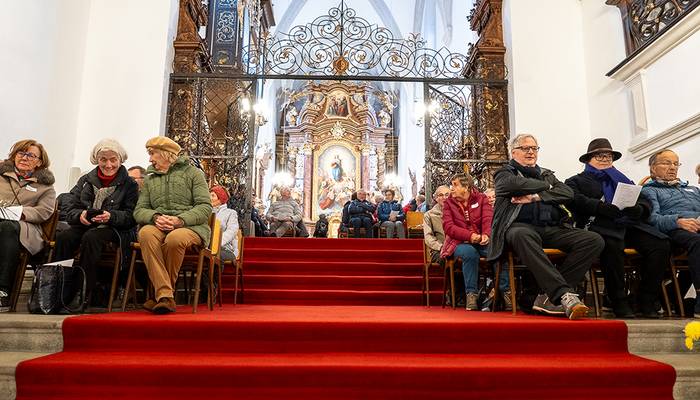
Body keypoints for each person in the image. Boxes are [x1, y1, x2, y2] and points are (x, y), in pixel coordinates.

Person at [488, 134, 604, 320]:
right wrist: (547, 186)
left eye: (534, 148)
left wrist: (536, 196)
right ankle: (563, 294)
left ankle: (545, 296)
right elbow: (511, 184)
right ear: (514, 151)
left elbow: (567, 193)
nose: (531, 152)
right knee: (522, 235)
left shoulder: (546, 172)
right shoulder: (505, 172)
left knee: (592, 240)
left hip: (551, 227)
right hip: (518, 226)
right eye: (526, 148)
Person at [565, 138, 669, 318]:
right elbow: (574, 199)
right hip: (599, 226)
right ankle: (617, 299)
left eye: (609, 155)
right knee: (612, 246)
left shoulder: (622, 178)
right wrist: (599, 207)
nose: (605, 158)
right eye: (599, 155)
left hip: (628, 224)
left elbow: (643, 200)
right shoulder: (576, 180)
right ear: (588, 159)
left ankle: (645, 298)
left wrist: (640, 209)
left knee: (660, 244)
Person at [54, 139, 139, 308]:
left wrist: (111, 216)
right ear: (96, 160)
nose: (108, 164)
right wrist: (81, 214)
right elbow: (69, 206)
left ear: (120, 160)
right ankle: (59, 290)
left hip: (114, 230)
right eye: (103, 159)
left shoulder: (129, 184)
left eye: (113, 159)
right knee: (65, 237)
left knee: (92, 237)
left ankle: (84, 290)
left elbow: (131, 216)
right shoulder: (85, 180)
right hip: (86, 224)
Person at [134, 136, 212, 314]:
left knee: (175, 238)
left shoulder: (194, 174)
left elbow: (205, 207)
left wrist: (180, 220)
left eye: (153, 153)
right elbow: (140, 210)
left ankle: (160, 295)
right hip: (159, 225)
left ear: (166, 154)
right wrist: (154, 217)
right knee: (145, 233)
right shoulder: (151, 179)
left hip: (190, 227)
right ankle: (166, 296)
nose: (150, 159)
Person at [641, 149, 700, 318]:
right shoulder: (649, 190)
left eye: (676, 163)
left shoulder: (693, 190)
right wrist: (677, 221)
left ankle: (673, 296)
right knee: (698, 243)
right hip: (675, 229)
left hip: (697, 226)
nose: (672, 167)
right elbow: (653, 219)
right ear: (653, 168)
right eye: (666, 163)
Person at [0, 140, 56, 311]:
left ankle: (2, 291)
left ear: (39, 162)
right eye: (21, 153)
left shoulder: (46, 187)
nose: (24, 158)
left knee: (8, 228)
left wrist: (20, 212)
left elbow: (44, 212)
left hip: (25, 228)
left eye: (30, 155)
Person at [441, 173, 510, 311]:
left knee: (498, 250)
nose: (451, 189)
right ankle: (471, 294)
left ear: (466, 187)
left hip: (481, 240)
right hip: (459, 242)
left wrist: (486, 234)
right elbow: (449, 227)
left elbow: (488, 218)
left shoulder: (481, 198)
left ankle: (505, 292)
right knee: (469, 253)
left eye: (455, 185)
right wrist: (470, 235)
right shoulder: (448, 203)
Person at [210, 185, 238, 262]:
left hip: (226, 249)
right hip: (207, 246)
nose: (210, 198)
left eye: (213, 196)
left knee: (214, 256)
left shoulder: (231, 213)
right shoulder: (207, 212)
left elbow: (232, 231)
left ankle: (214, 274)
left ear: (220, 198)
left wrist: (216, 243)